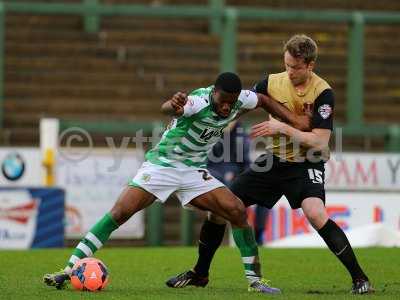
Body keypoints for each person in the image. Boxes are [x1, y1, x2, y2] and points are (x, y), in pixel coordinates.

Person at [43, 72, 308, 293]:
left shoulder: (241, 100)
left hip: (193, 171)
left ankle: (255, 281)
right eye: (223, 101)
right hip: (162, 166)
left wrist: (293, 120)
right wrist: (175, 106)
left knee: (236, 210)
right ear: (214, 92)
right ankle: (67, 270)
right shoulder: (198, 101)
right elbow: (169, 108)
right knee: (119, 213)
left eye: (231, 103)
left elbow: (262, 99)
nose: (227, 107)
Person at [166, 35, 374, 295]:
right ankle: (200, 274)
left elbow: (320, 143)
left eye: (296, 67)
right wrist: (214, 128)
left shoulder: (323, 93)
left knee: (315, 212)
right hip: (273, 162)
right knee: (220, 209)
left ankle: (359, 278)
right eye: (286, 65)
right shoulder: (271, 83)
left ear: (310, 65)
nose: (289, 71)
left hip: (305, 162)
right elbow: (236, 109)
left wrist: (281, 127)